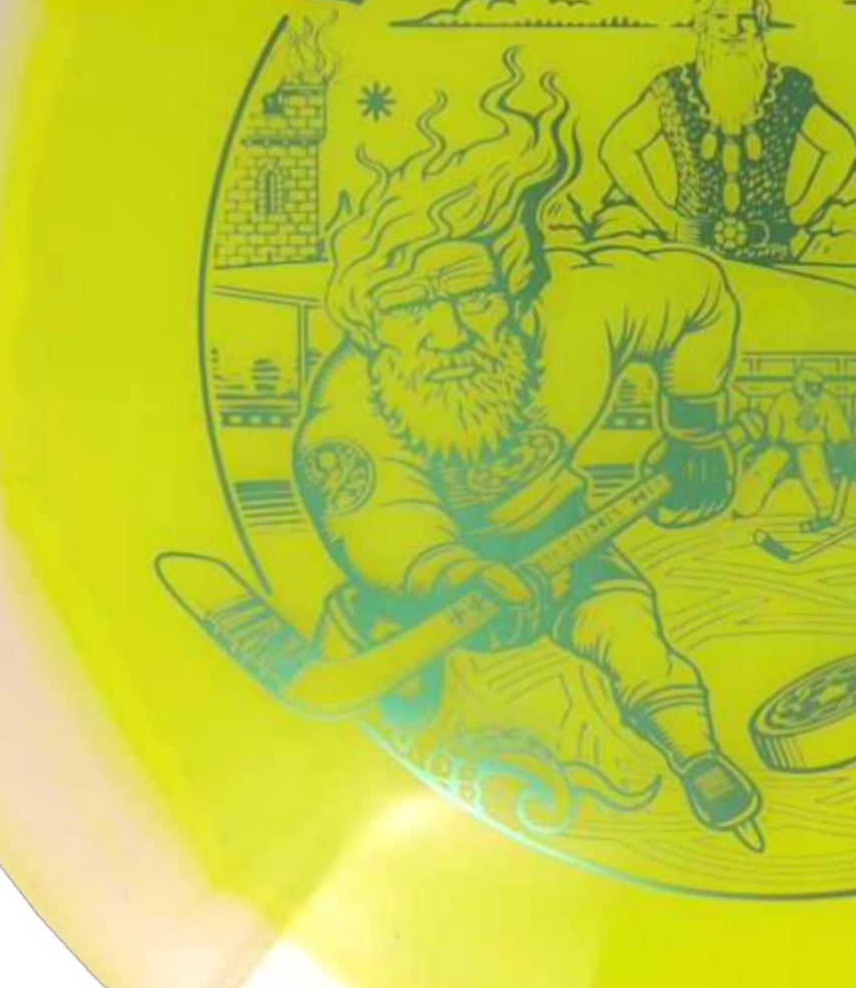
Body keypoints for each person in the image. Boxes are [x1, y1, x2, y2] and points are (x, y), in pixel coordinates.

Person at [293, 64, 760, 836]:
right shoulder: (350, 408)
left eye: (474, 297)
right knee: (392, 682)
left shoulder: (578, 316)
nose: (451, 333)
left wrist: (695, 428)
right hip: (429, 584)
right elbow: (385, 520)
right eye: (412, 307)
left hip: (564, 534)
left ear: (512, 290)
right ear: (372, 323)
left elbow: (699, 294)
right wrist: (457, 576)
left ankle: (698, 755)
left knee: (629, 629)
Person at [597, 0, 856, 262]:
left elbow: (843, 148)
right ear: (703, 23)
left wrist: (799, 215)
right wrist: (666, 220)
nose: (733, 28)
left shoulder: (788, 88)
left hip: (771, 252)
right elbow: (616, 148)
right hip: (692, 256)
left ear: (760, 24)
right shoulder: (672, 89)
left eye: (745, 17)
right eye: (720, 16)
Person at [734, 360, 853, 530]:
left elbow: (838, 428)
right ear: (800, 386)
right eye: (810, 386)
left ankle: (827, 510)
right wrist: (767, 442)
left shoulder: (827, 402)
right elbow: (773, 427)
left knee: (816, 472)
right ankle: (744, 506)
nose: (814, 390)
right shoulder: (784, 400)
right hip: (784, 445)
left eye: (818, 386)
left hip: (811, 445)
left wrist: (844, 445)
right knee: (763, 469)